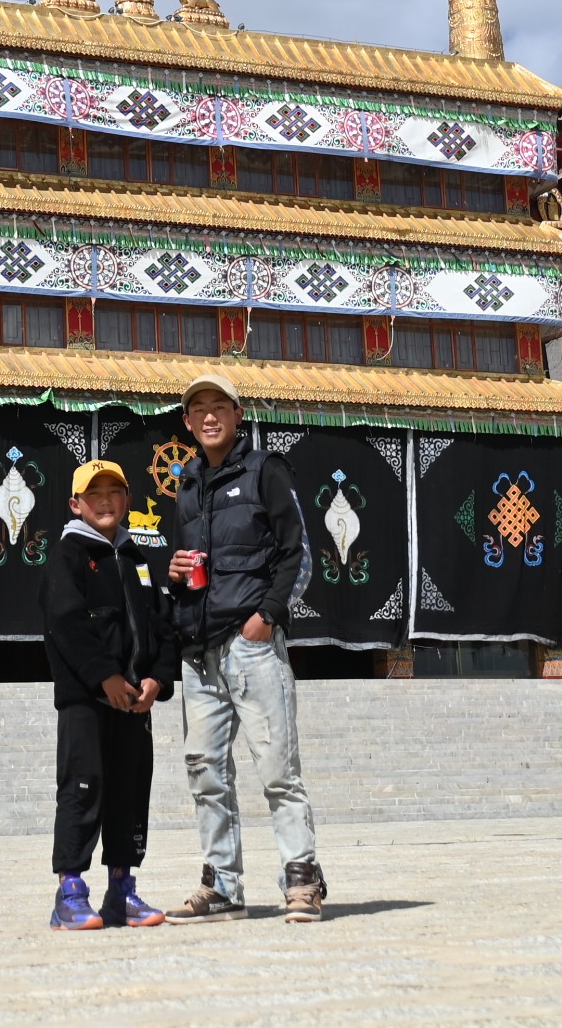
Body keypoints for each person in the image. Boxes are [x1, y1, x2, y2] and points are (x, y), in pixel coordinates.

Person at [164, 372, 327, 924]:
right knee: (205, 771)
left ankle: (302, 880)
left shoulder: (265, 471)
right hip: (200, 653)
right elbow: (185, 565)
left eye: (220, 406)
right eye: (198, 409)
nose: (209, 416)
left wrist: (267, 617)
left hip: (250, 645)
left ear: (238, 414)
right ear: (187, 422)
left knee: (278, 769)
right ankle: (222, 886)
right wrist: (173, 573)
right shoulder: (187, 485)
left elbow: (297, 554)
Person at [40, 458, 180, 931]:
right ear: (75, 504)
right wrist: (105, 677)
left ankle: (121, 890)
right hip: (88, 700)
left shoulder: (138, 559)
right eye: (93, 494)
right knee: (82, 788)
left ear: (128, 500)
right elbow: (66, 623)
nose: (105, 501)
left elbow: (161, 625)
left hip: (135, 702)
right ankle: (69, 892)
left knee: (129, 792)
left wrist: (157, 678)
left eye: (114, 492)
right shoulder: (68, 555)